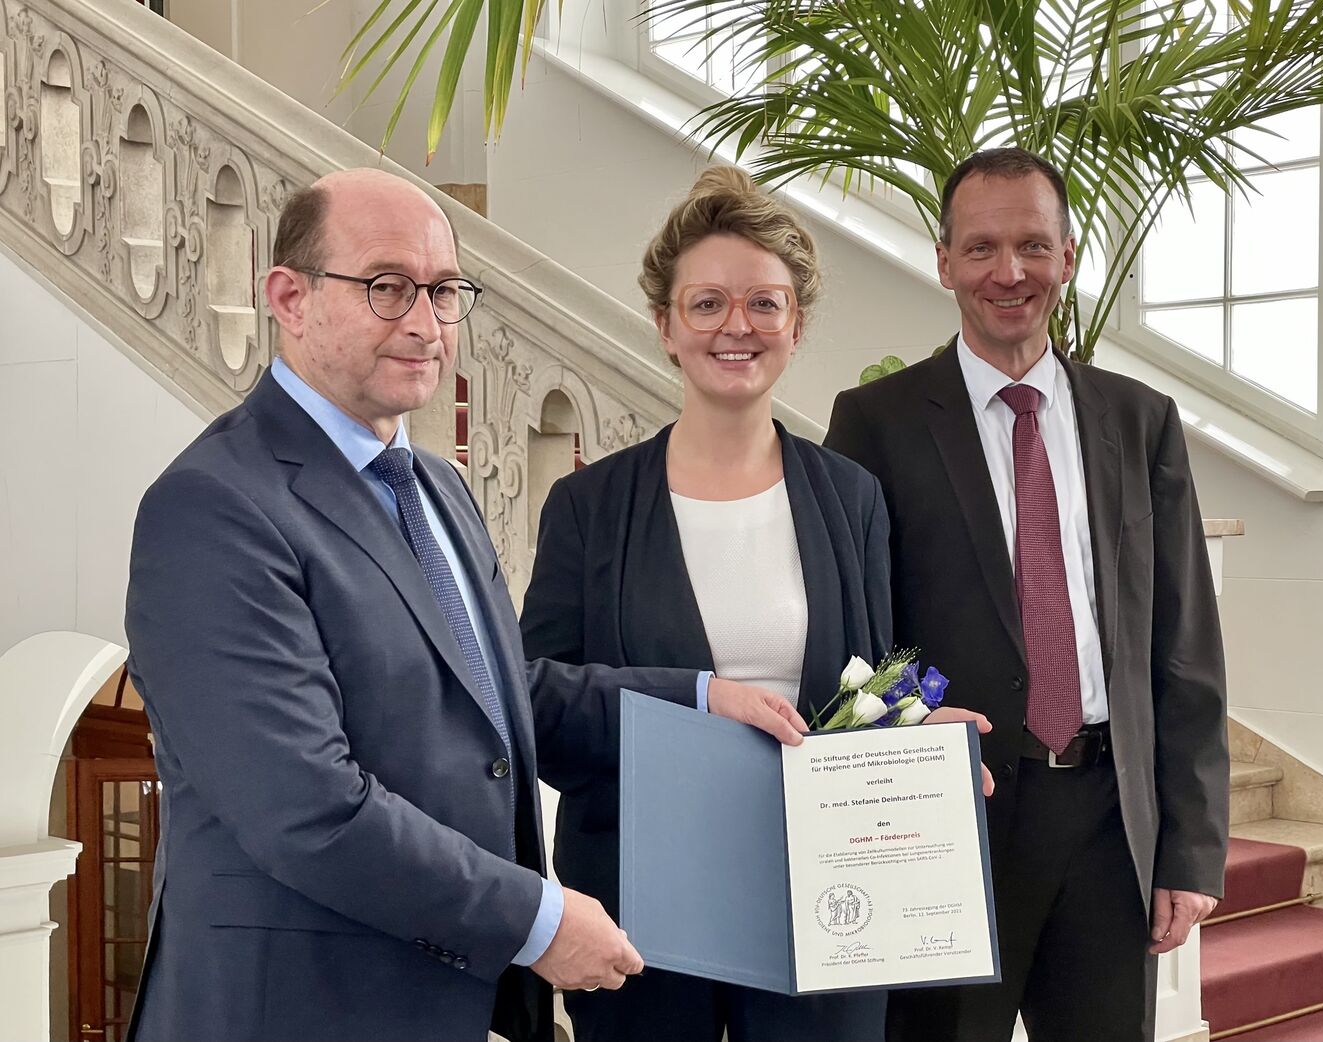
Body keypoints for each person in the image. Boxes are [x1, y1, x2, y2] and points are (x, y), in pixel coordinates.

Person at [121, 167, 805, 1042]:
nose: (424, 323)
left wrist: (706, 700)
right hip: (297, 1005)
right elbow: (306, 807)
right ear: (288, 297)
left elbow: (492, 696)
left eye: (444, 292)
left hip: (443, 998)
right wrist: (538, 921)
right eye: (385, 287)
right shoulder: (214, 506)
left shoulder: (433, 485)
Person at [520, 166, 990, 1042]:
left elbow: (875, 679)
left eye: (764, 304)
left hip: (828, 901)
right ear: (664, 326)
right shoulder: (588, 509)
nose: (737, 326)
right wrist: (700, 695)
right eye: (706, 304)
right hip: (641, 907)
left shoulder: (851, 497)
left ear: (795, 325)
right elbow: (537, 702)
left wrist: (915, 733)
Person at [824, 147, 1229, 1042]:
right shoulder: (875, 422)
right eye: (980, 249)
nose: (1008, 273)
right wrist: (895, 758)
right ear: (943, 263)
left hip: (1107, 819)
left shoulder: (1140, 418)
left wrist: (1190, 845)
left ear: (1068, 256)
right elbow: (856, 632)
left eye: (1032, 247)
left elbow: (1183, 641)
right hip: (951, 816)